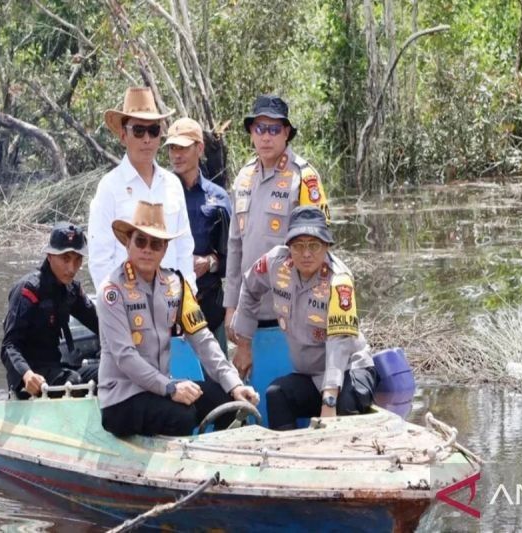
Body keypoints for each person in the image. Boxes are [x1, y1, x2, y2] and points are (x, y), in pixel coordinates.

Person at [97, 201, 258, 437]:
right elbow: (125, 356)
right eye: (140, 241)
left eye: (156, 244)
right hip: (122, 398)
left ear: (164, 249)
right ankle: (176, 471)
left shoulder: (176, 285)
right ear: (127, 243)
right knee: (182, 415)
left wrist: (234, 383)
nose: (147, 250)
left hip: (160, 388)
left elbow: (203, 338)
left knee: (229, 404)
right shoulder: (111, 291)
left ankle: (220, 464)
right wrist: (170, 387)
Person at [232, 206, 378, 430]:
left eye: (314, 245)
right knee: (276, 394)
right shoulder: (275, 263)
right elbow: (249, 288)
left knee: (345, 406)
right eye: (298, 246)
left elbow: (339, 346)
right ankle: (287, 457)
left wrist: (328, 400)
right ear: (288, 246)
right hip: (310, 375)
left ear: (327, 246)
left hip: (350, 370)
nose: (306, 254)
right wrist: (244, 344)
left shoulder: (339, 280)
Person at [223, 95, 330, 342]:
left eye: (274, 129)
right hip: (249, 311)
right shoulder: (243, 177)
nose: (266, 136)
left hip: (293, 312)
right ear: (251, 132)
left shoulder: (304, 178)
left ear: (286, 133)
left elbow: (318, 250)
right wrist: (231, 308)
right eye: (260, 128)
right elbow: (235, 246)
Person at [88, 86, 196, 291]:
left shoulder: (173, 184)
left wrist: (187, 298)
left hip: (171, 303)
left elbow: (184, 248)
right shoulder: (109, 187)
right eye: (138, 131)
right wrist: (115, 307)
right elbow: (100, 259)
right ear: (123, 136)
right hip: (126, 304)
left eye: (153, 131)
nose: (147, 139)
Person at [1, 223, 98, 398]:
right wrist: (26, 374)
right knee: (73, 382)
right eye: (66, 259)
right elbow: (9, 346)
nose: (71, 268)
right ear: (50, 255)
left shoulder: (71, 290)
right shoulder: (29, 290)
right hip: (30, 378)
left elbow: (100, 324)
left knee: (108, 373)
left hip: (56, 367)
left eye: (77, 260)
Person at [164, 117, 231, 351]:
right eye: (172, 148)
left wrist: (210, 262)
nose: (176, 155)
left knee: (220, 381)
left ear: (200, 149)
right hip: (167, 307)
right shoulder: (159, 194)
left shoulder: (219, 198)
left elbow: (232, 259)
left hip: (210, 304)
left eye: (183, 147)